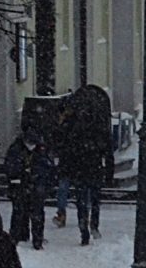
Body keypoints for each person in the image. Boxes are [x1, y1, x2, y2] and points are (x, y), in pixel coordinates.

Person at [56, 89, 116, 244]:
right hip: (93, 169)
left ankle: (84, 228)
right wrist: (109, 173)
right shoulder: (99, 130)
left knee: (82, 201)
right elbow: (108, 153)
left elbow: (67, 149)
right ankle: (92, 225)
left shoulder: (75, 129)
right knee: (94, 200)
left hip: (81, 170)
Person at [3, 121, 55, 249]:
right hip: (22, 186)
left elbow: (47, 167)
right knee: (21, 213)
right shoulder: (17, 149)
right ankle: (19, 237)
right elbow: (10, 168)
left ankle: (35, 239)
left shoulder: (38, 150)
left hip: (35, 187)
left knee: (33, 214)